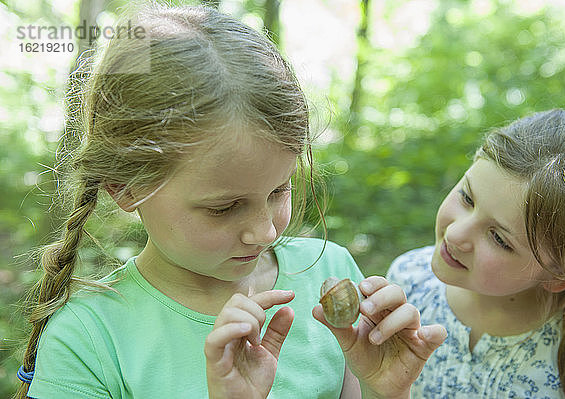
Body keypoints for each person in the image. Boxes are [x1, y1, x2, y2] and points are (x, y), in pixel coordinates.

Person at [16, 4, 447, 399]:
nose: (267, 231)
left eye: (279, 190)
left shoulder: (329, 270)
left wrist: (384, 389)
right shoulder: (89, 338)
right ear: (125, 189)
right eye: (224, 207)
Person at [386, 109, 565, 398]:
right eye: (467, 198)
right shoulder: (408, 280)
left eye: (499, 238)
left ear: (559, 276)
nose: (455, 234)